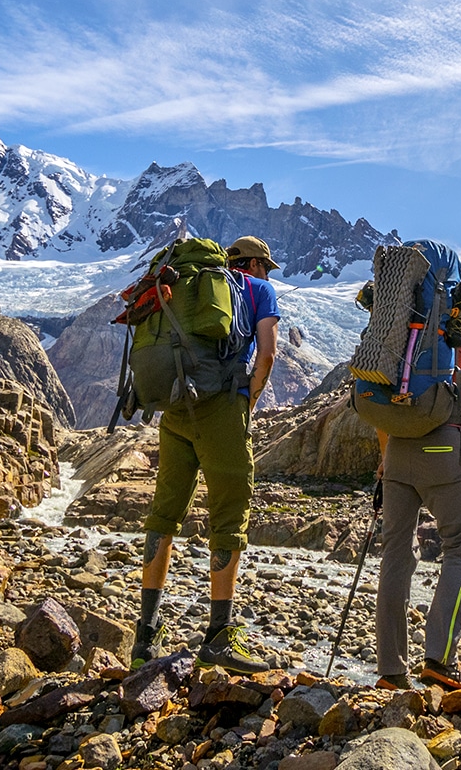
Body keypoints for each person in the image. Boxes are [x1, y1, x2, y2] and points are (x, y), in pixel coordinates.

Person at [132, 235, 282, 673]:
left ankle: (146, 632)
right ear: (253, 264)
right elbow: (267, 355)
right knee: (229, 515)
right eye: (266, 267)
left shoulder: (185, 282)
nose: (267, 274)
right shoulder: (257, 290)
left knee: (164, 514)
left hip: (176, 406)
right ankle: (218, 636)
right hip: (221, 404)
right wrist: (247, 403)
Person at [372, 322, 461, 691]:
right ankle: (441, 661)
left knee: (395, 554)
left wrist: (386, 459)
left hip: (397, 452)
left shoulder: (392, 334)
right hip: (446, 450)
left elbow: (382, 411)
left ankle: (392, 671)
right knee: (459, 548)